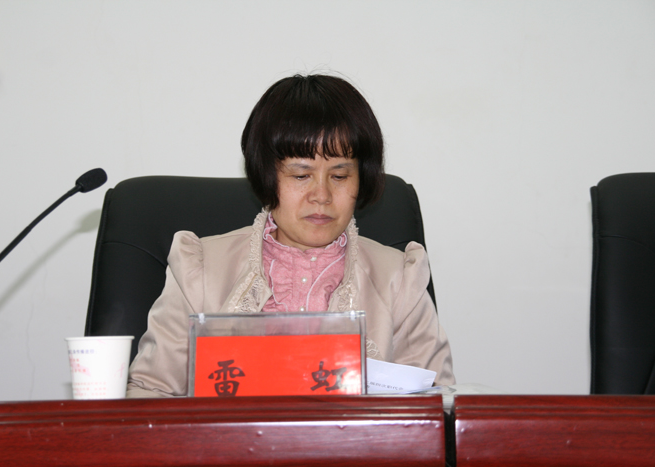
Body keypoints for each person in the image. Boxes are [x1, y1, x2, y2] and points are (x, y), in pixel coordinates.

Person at [126, 74, 454, 398]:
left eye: (340, 176)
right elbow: (149, 392)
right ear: (266, 176)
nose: (321, 195)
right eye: (300, 175)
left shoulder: (399, 278)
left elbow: (438, 404)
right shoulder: (199, 269)